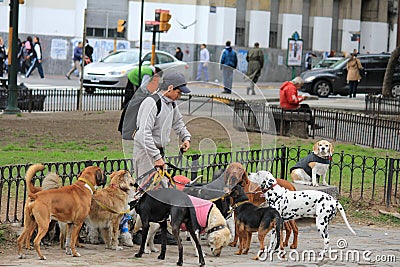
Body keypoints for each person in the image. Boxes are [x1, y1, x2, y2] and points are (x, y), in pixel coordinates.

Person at [133, 73, 191, 179]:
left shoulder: (171, 103)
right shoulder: (151, 102)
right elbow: (144, 133)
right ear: (170, 88)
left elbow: (178, 122)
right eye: (178, 92)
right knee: (147, 190)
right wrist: (156, 157)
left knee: (162, 188)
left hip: (158, 152)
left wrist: (186, 138)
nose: (179, 96)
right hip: (146, 152)